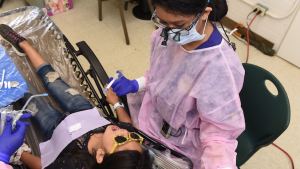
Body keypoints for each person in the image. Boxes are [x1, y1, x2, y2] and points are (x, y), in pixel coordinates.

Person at [109, 0, 245, 168]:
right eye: (163, 21)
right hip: (151, 121)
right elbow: (164, 78)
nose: (169, 31)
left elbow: (218, 137)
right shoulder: (166, 35)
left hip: (181, 146)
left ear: (204, 13)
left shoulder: (219, 69)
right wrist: (137, 84)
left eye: (179, 24)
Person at [0, 24, 151, 169]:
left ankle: (6, 70)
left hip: (55, 128)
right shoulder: (122, 134)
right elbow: (128, 125)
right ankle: (23, 44)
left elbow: (42, 166)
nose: (126, 133)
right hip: (83, 111)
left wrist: (18, 152)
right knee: (53, 80)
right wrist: (116, 104)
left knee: (27, 95)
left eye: (121, 140)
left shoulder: (77, 164)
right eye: (134, 138)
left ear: (100, 155)